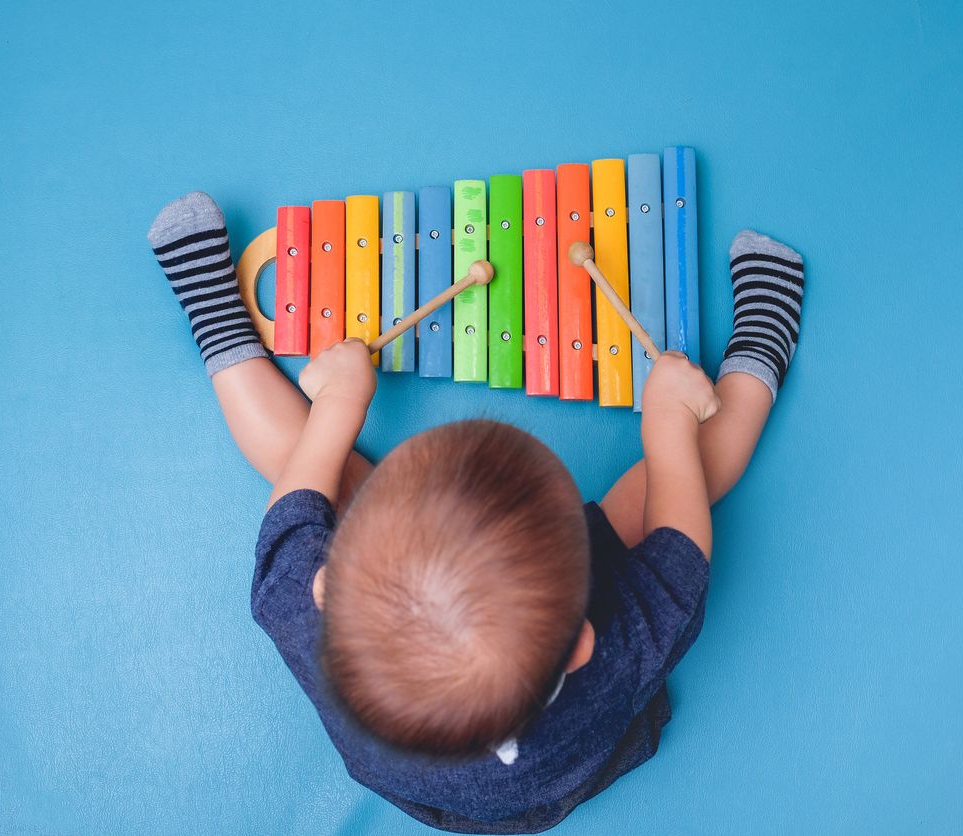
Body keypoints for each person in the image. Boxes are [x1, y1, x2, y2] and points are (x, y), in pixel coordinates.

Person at [147, 191, 804, 833]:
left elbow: (295, 498)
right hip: (569, 767)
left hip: (416, 780)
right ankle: (759, 354)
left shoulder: (299, 603)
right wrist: (667, 417)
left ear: (326, 582)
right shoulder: (621, 653)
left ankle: (214, 316)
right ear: (580, 640)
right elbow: (681, 538)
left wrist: (338, 406)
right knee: (666, 480)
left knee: (316, 462)